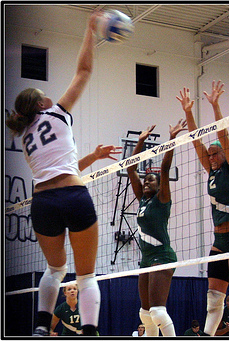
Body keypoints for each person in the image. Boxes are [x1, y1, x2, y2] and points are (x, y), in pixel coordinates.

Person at [5, 11, 119, 337]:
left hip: (43, 203)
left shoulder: (25, 136)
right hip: (74, 196)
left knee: (55, 269)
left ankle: (41, 328)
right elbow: (84, 70)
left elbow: (59, 169)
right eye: (43, 96)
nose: (48, 96)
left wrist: (93, 157)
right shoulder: (56, 113)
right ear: (41, 105)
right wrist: (89, 29)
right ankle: (91, 330)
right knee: (86, 277)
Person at [177, 81, 229, 336]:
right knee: (214, 297)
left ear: (226, 156)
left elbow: (222, 136)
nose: (210, 156)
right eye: (209, 154)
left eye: (214, 153)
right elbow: (197, 142)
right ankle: (206, 335)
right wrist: (188, 112)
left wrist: (215, 106)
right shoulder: (211, 173)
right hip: (219, 238)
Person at [126, 119, 187, 337]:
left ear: (160, 185)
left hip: (162, 256)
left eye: (151, 180)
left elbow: (165, 168)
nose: (146, 182)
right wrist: (140, 141)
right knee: (145, 314)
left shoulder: (162, 199)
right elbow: (131, 168)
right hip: (146, 259)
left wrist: (171, 139)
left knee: (158, 312)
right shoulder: (142, 200)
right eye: (145, 180)